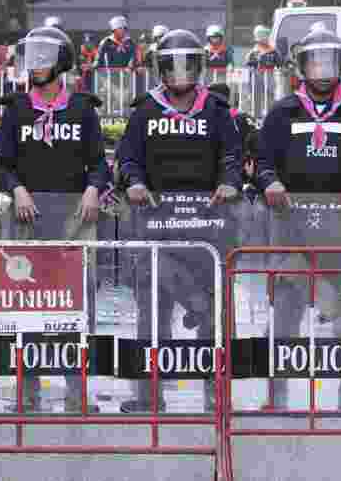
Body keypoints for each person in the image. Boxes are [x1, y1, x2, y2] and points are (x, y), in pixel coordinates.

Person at [255, 25, 341, 410]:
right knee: (286, 309)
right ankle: (276, 393)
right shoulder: (281, 111)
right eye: (316, 61)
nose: (323, 69)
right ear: (302, 66)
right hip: (291, 226)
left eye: (331, 61)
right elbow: (261, 162)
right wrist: (270, 182)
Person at [116, 29, 242, 413]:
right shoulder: (145, 111)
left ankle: (215, 392)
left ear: (200, 67)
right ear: (160, 69)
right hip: (155, 218)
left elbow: (234, 157)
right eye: (172, 66)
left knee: (215, 306)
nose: (180, 74)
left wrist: (230, 182)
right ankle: (148, 394)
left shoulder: (217, 110)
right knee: (152, 306)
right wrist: (134, 182)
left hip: (209, 219)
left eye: (188, 65)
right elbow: (126, 159)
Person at [0, 25, 113, 413]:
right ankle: (29, 391)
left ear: (61, 62)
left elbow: (99, 162)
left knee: (79, 302)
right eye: (33, 57)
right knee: (28, 302)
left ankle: (77, 390)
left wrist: (95, 188)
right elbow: (1, 164)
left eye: (46, 57)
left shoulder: (81, 109)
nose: (37, 65)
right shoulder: (15, 109)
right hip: (29, 215)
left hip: (75, 217)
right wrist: (17, 189)